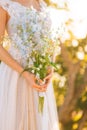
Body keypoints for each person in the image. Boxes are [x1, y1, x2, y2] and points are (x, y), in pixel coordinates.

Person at [0, 0, 60, 130]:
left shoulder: (42, 4)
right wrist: (24, 73)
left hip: (40, 76)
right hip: (16, 75)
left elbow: (50, 41)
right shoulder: (5, 5)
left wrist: (51, 66)